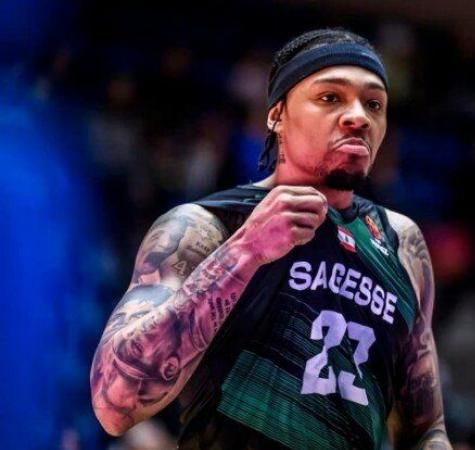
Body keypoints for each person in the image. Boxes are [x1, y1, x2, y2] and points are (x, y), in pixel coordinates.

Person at [90, 28, 452, 450]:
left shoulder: (403, 244)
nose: (358, 117)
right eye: (330, 97)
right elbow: (115, 401)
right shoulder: (206, 226)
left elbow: (425, 429)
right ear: (277, 115)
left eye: (374, 104)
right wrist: (246, 252)